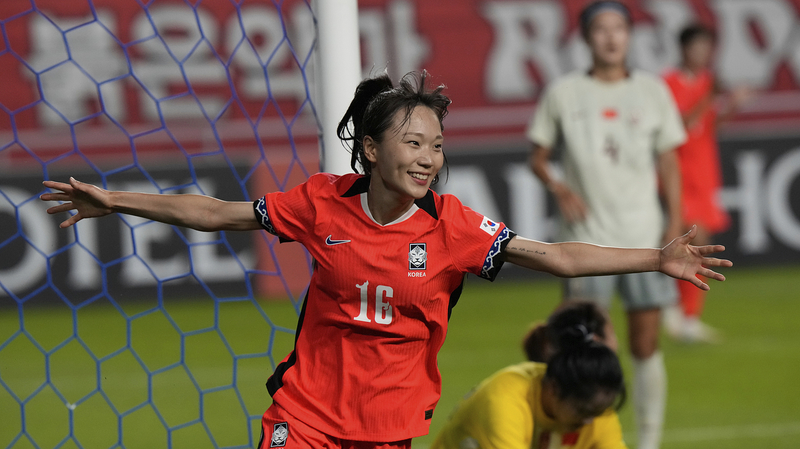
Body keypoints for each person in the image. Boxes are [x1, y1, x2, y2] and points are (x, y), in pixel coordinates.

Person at [42, 71, 730, 449]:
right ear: (372, 150)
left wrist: (655, 257)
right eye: (414, 143)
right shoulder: (321, 203)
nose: (429, 158)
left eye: (437, 145)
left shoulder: (454, 226)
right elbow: (217, 212)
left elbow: (556, 256)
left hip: (389, 428)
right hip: (305, 413)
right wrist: (116, 199)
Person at [527, 2, 687, 448]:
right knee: (580, 345)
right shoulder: (564, 92)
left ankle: (649, 442)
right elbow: (537, 156)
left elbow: (669, 160)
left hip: (644, 236)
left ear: (630, 35)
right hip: (586, 243)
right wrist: (558, 186)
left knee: (645, 344)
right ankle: (576, 435)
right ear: (585, 37)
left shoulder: (652, 90)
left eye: (619, 28)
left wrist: (674, 220)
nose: (611, 37)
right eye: (601, 29)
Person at [661, 23, 752, 344]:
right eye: (696, 46)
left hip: (704, 173)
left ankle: (684, 314)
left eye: (706, 47)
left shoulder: (705, 82)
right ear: (683, 48)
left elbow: (708, 126)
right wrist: (709, 96)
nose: (702, 53)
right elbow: (679, 126)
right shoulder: (669, 83)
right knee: (687, 240)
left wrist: (731, 106)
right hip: (678, 173)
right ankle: (678, 311)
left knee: (699, 242)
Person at [432, 301, 628, 449]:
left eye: (598, 412)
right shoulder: (505, 399)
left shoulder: (593, 404)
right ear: (553, 388)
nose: (590, 422)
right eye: (581, 411)